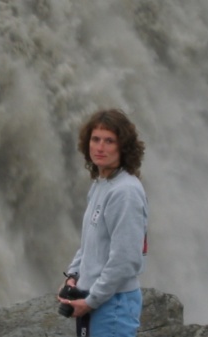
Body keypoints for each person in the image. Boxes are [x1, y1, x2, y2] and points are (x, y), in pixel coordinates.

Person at [58, 109, 148, 337]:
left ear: (123, 147)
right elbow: (89, 244)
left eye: (109, 141)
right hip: (96, 301)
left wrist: (91, 300)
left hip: (113, 305)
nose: (100, 147)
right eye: (95, 139)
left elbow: (126, 260)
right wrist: (73, 276)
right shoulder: (101, 184)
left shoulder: (125, 192)